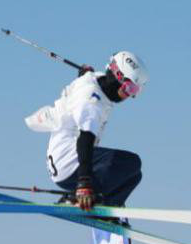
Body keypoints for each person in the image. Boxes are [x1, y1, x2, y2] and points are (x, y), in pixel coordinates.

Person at [24, 50, 149, 212]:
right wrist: (84, 182)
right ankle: (78, 198)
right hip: (71, 164)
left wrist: (83, 74)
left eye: (135, 91)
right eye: (129, 88)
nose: (129, 96)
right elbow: (85, 139)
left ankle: (107, 207)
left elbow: (86, 80)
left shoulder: (93, 80)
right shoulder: (92, 101)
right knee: (131, 163)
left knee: (134, 176)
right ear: (117, 76)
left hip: (64, 163)